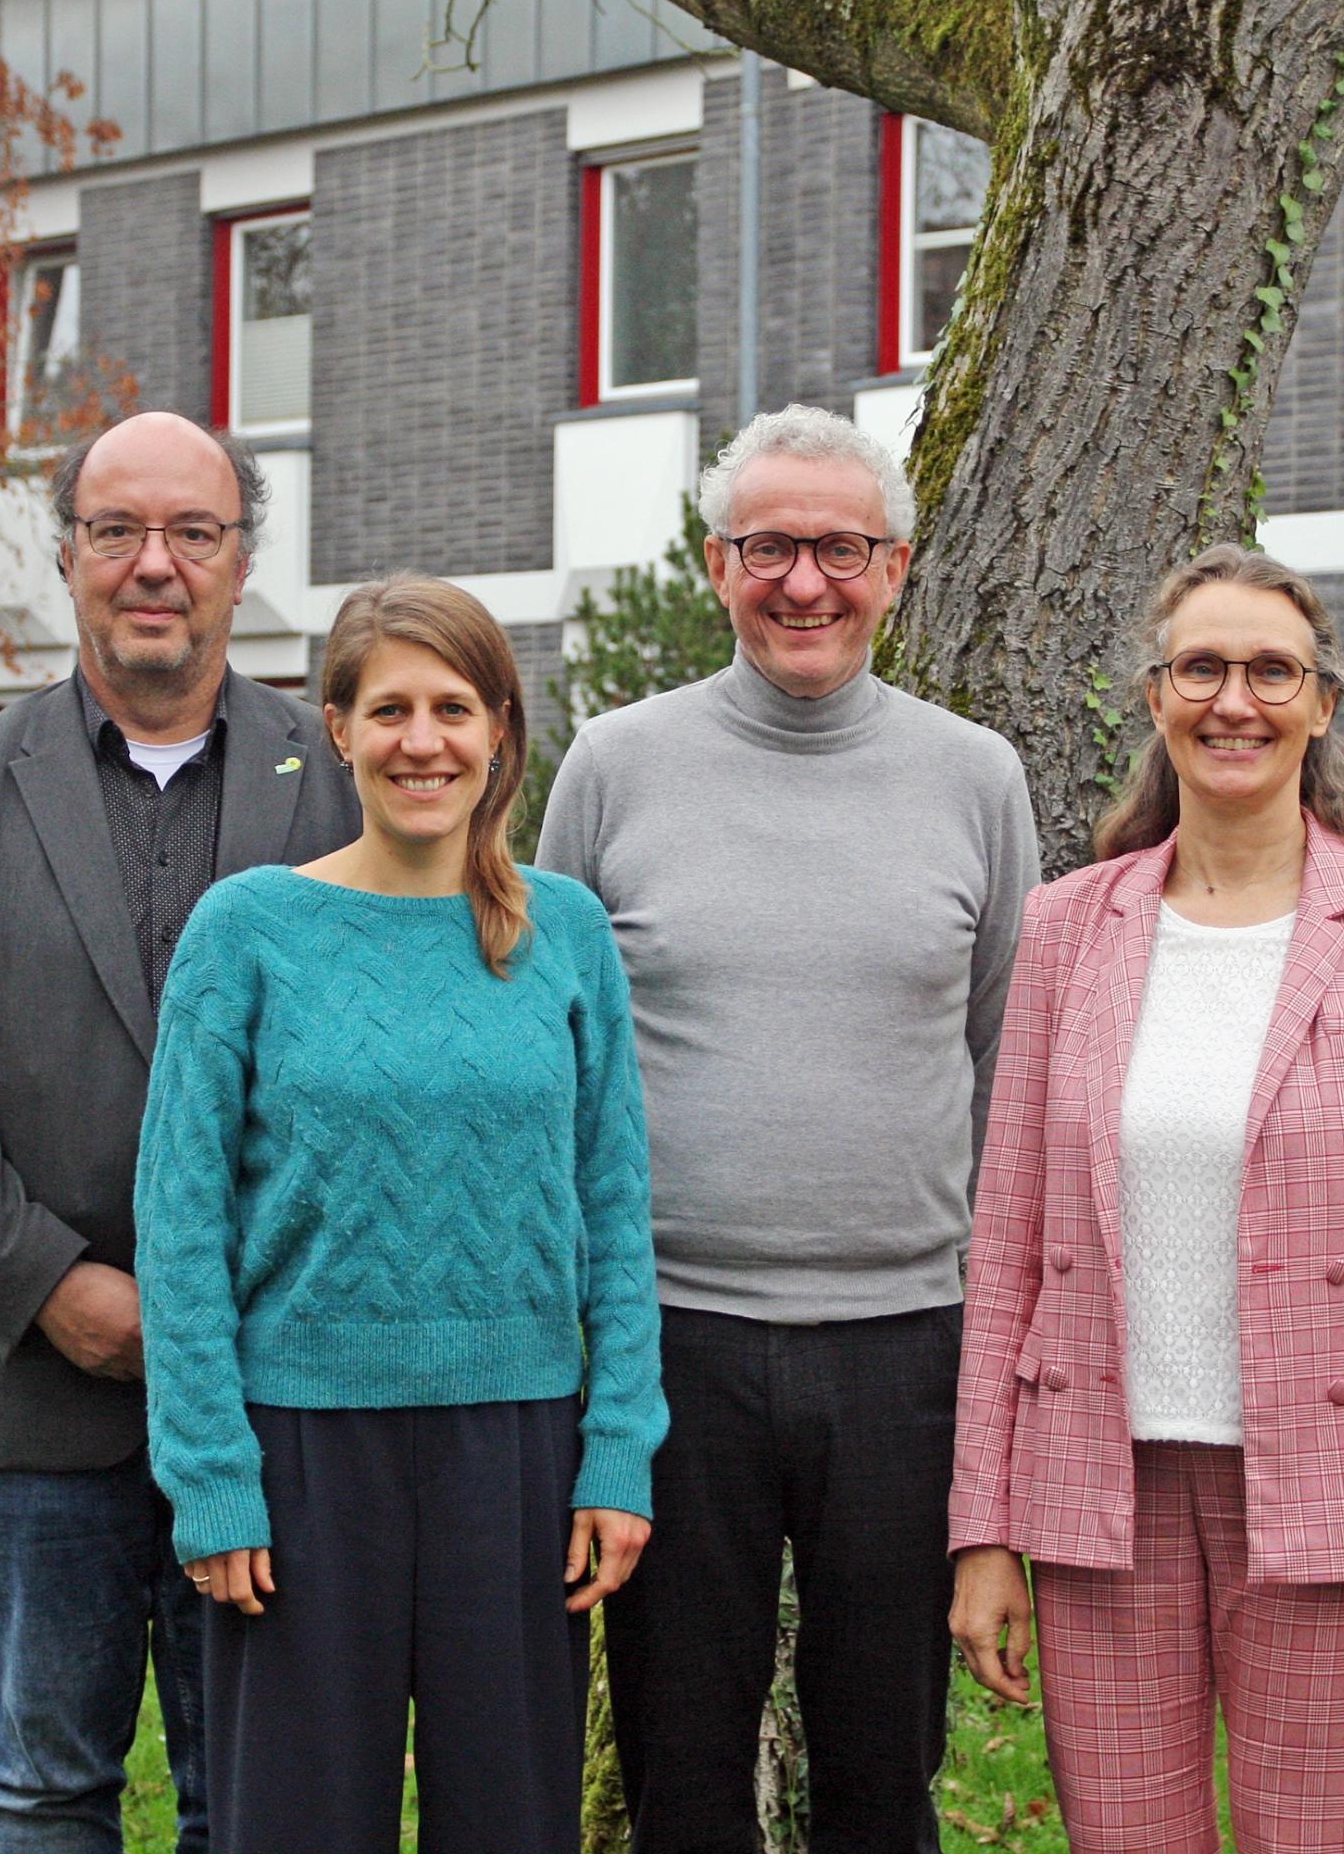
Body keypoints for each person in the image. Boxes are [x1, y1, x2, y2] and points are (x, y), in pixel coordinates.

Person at [0, 411, 360, 1852]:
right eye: (117, 531)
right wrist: (50, 1286)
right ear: (64, 557)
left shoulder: (338, 777)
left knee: (247, 1800)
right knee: (42, 1791)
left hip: (272, 1394)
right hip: (39, 1399)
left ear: (240, 560)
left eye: (192, 533)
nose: (155, 566)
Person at [949, 544, 1344, 1854]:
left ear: (1321, 706)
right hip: (1101, 1494)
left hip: (1331, 1495)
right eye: (1202, 667)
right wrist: (984, 1527)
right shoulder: (1069, 928)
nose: (1235, 702)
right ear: (1157, 696)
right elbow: (1010, 1242)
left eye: (1273, 671)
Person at [537, 403, 1040, 1853]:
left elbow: (1001, 1062)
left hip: (906, 1344)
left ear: (895, 567)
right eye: (770, 547)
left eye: (839, 549)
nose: (803, 583)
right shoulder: (616, 768)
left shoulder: (976, 778)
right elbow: (553, 1051)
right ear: (716, 563)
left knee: (884, 1767)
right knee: (681, 1767)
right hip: (668, 1345)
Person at [133, 574, 667, 1854]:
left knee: (512, 1820)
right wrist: (208, 1475)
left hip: (521, 1456)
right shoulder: (248, 930)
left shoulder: (567, 931)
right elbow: (178, 1219)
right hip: (302, 1453)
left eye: (450, 707)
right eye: (388, 709)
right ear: (337, 727)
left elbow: (616, 1201)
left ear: (497, 729)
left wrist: (617, 1449)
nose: (419, 740)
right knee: (298, 1823)